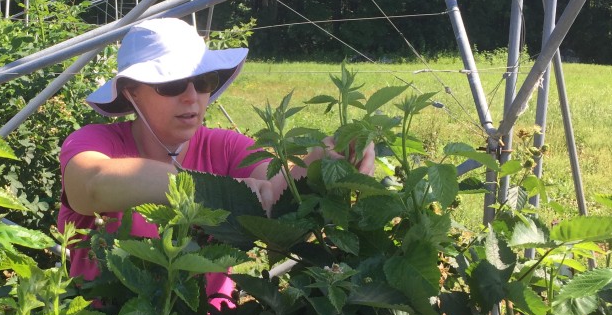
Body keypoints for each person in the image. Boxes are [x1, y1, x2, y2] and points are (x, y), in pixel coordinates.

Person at [56, 17, 374, 300]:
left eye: (203, 81)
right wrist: (208, 193)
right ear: (131, 92)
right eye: (171, 83)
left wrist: (325, 158)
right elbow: (92, 186)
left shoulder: (226, 147)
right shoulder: (96, 142)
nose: (192, 96)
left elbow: (278, 197)